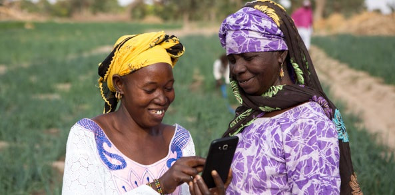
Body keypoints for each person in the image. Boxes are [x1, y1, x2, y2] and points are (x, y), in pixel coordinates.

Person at [218, 0, 362, 194]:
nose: (237, 69)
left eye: (249, 57)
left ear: (281, 55)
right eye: (232, 60)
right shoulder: (253, 113)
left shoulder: (307, 124)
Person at [62, 31, 228, 194]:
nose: (162, 99)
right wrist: (161, 186)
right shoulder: (88, 135)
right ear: (120, 84)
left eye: (168, 88)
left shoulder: (179, 141)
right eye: (150, 90)